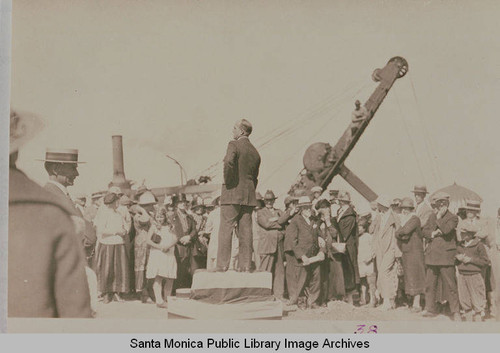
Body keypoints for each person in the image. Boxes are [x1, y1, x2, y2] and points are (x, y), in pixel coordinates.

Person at [8, 109, 92, 318]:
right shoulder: (49, 206)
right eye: (72, 168)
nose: (77, 174)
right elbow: (74, 311)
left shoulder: (53, 202)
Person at [217, 119, 261, 272]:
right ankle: (246, 266)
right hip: (248, 196)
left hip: (232, 194)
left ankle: (222, 266)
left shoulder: (233, 144)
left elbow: (229, 162)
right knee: (246, 232)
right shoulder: (255, 152)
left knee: (226, 230)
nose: (232, 130)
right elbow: (255, 177)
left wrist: (229, 183)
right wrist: (249, 189)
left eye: (234, 128)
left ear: (242, 131)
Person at [41, 148, 97, 267]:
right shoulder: (57, 197)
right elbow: (89, 238)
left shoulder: (51, 194)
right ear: (56, 169)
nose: (77, 173)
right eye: (73, 168)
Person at [421, 191, 460, 320]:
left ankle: (455, 312)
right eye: (439, 203)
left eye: (443, 203)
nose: (441, 205)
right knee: (430, 284)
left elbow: (447, 230)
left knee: (450, 285)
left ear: (447, 204)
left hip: (446, 257)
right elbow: (424, 231)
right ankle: (430, 308)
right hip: (432, 256)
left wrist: (439, 219)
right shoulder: (432, 216)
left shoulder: (453, 217)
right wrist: (433, 234)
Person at [284, 196, 322, 309]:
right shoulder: (296, 221)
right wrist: (301, 256)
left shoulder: (314, 220)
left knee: (316, 278)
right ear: (300, 209)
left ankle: (313, 301)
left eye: (309, 207)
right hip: (302, 255)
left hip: (314, 254)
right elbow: (292, 241)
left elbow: (319, 234)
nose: (308, 210)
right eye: (305, 208)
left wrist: (321, 244)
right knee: (301, 278)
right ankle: (300, 301)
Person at [256, 190, 295, 301]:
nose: (269, 202)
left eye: (271, 200)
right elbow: (267, 224)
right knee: (265, 270)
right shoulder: (261, 212)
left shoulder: (279, 211)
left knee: (280, 270)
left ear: (274, 200)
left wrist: (277, 221)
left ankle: (279, 295)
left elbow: (286, 222)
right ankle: (263, 294)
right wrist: (280, 222)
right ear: (264, 201)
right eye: (267, 200)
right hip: (267, 244)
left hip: (279, 244)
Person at [94, 192, 131, 303]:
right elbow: (101, 230)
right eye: (116, 201)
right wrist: (116, 232)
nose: (118, 203)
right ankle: (106, 292)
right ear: (111, 202)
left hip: (119, 244)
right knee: (107, 268)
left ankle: (116, 292)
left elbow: (126, 225)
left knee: (119, 269)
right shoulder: (104, 214)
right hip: (107, 244)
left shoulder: (118, 214)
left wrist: (125, 231)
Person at [395, 197, 426, 312]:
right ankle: (413, 302)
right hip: (408, 252)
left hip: (415, 252)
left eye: (407, 208)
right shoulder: (406, 219)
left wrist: (400, 233)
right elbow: (400, 233)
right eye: (403, 208)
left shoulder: (414, 219)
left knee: (416, 276)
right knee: (409, 277)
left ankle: (417, 304)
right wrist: (400, 233)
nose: (404, 210)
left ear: (411, 209)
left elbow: (405, 231)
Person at [372, 196, 400, 311]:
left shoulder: (394, 217)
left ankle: (387, 300)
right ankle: (389, 300)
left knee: (384, 272)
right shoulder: (379, 217)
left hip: (390, 248)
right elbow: (372, 230)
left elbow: (398, 233)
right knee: (383, 274)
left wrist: (397, 250)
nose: (377, 206)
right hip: (380, 249)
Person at [146, 208, 178, 309]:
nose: (159, 219)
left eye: (161, 216)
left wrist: (168, 246)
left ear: (165, 217)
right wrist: (160, 247)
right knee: (158, 276)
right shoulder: (154, 227)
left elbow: (176, 238)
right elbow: (148, 240)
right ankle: (159, 300)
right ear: (155, 217)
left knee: (170, 277)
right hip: (157, 253)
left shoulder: (170, 226)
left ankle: (166, 299)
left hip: (169, 253)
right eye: (157, 217)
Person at [456, 226, 489, 321]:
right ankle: (468, 323)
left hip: (474, 276)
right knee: (464, 300)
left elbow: (485, 261)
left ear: (470, 235)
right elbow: (454, 259)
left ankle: (478, 323)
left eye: (463, 233)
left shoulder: (479, 245)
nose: (461, 234)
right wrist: (457, 258)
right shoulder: (460, 245)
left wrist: (471, 260)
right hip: (462, 275)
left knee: (477, 301)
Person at [332, 191, 360, 304]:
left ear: (342, 202)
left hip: (348, 245)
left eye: (340, 201)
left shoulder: (350, 214)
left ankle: (351, 298)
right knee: (345, 268)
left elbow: (344, 232)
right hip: (343, 244)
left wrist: (333, 221)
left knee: (349, 268)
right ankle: (347, 296)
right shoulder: (341, 212)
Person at [314, 199, 344, 305]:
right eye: (324, 208)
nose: (327, 210)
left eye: (328, 208)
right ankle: (322, 299)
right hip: (320, 252)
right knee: (322, 276)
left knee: (334, 275)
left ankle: (333, 297)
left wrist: (328, 221)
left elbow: (335, 234)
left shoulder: (333, 220)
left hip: (332, 252)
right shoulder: (316, 221)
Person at [357, 220, 377, 307]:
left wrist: (370, 257)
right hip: (360, 261)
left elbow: (374, 248)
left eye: (360, 227)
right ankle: (364, 298)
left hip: (368, 262)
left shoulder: (369, 237)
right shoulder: (356, 238)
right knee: (363, 281)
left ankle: (373, 299)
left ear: (364, 228)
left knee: (371, 281)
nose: (358, 229)